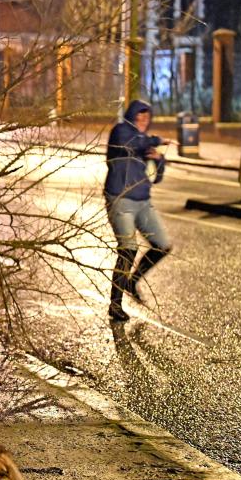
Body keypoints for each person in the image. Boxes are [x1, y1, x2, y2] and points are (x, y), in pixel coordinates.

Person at [103, 99, 174, 322]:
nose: (144, 120)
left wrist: (159, 159)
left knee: (162, 245)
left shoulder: (143, 143)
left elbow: (157, 178)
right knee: (128, 249)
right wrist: (158, 140)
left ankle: (133, 281)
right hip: (120, 199)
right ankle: (115, 305)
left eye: (147, 117)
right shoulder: (122, 132)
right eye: (140, 116)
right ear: (131, 116)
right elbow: (133, 142)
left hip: (143, 201)